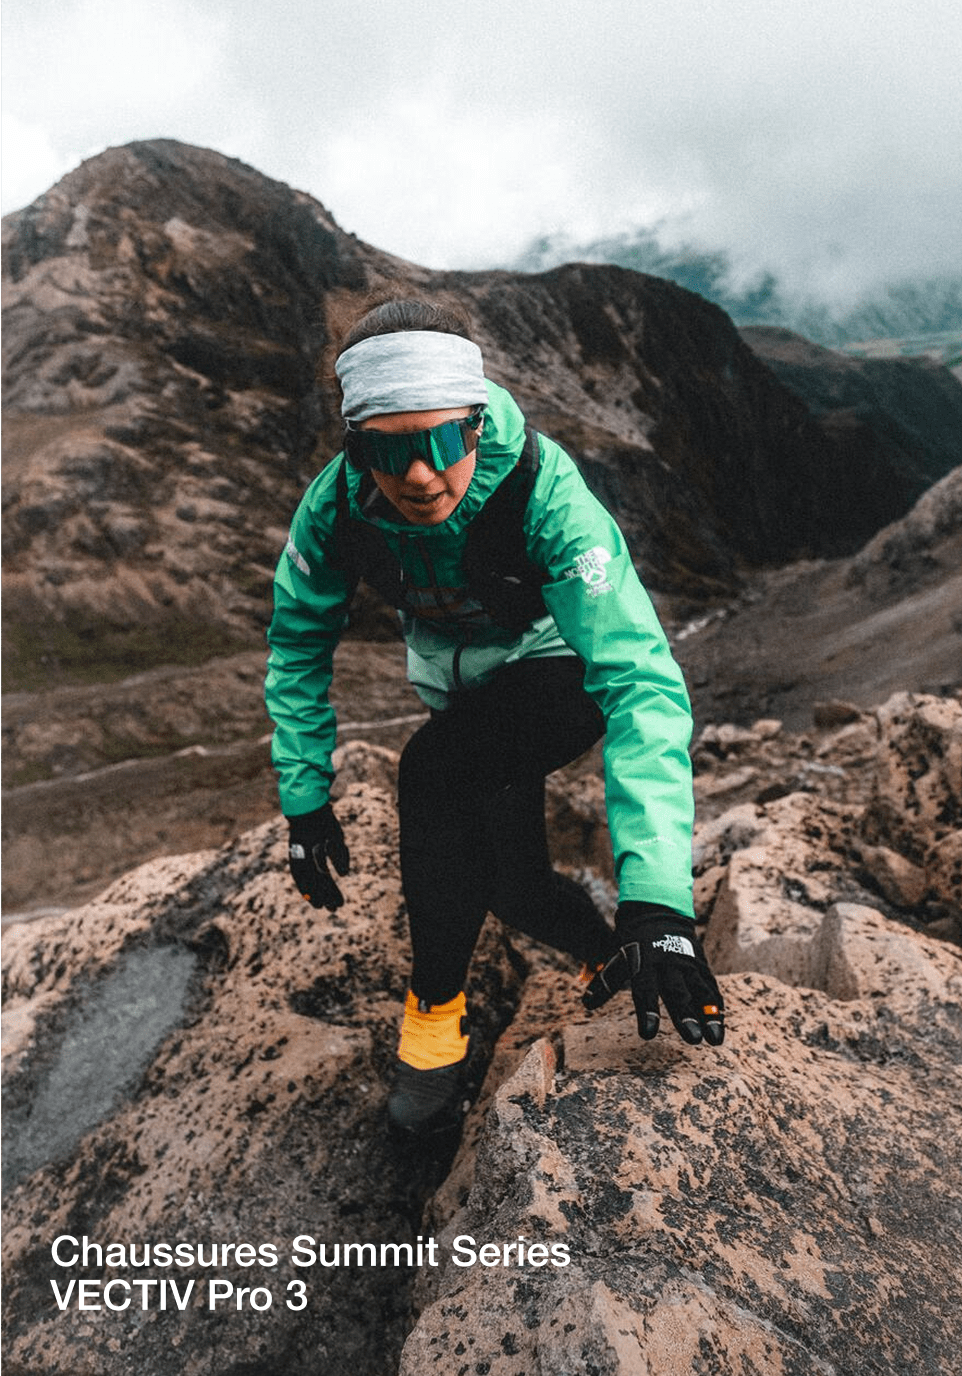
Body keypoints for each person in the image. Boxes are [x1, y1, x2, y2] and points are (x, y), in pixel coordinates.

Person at [265, 297, 725, 1136]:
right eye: (387, 451)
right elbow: (298, 641)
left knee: (433, 770)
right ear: (355, 446)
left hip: (563, 672)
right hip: (466, 697)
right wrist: (303, 797)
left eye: (444, 442)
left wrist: (659, 903)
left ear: (476, 424)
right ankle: (606, 958)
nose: (419, 475)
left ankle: (433, 1025)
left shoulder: (543, 490)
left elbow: (639, 682)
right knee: (513, 884)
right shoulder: (335, 508)